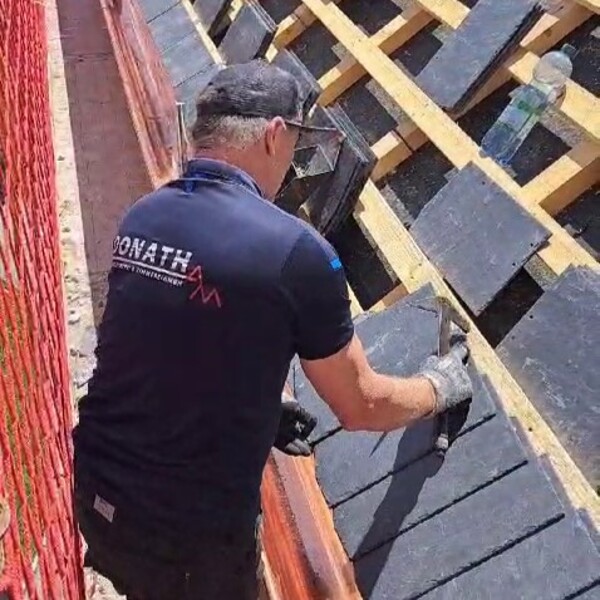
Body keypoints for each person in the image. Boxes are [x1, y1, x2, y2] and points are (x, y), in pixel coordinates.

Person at [73, 59, 473, 600]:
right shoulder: (297, 253)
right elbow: (362, 407)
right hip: (184, 543)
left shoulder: (144, 214)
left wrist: (256, 401)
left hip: (96, 489)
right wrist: (440, 386)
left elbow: (155, 340)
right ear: (275, 134)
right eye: (297, 142)